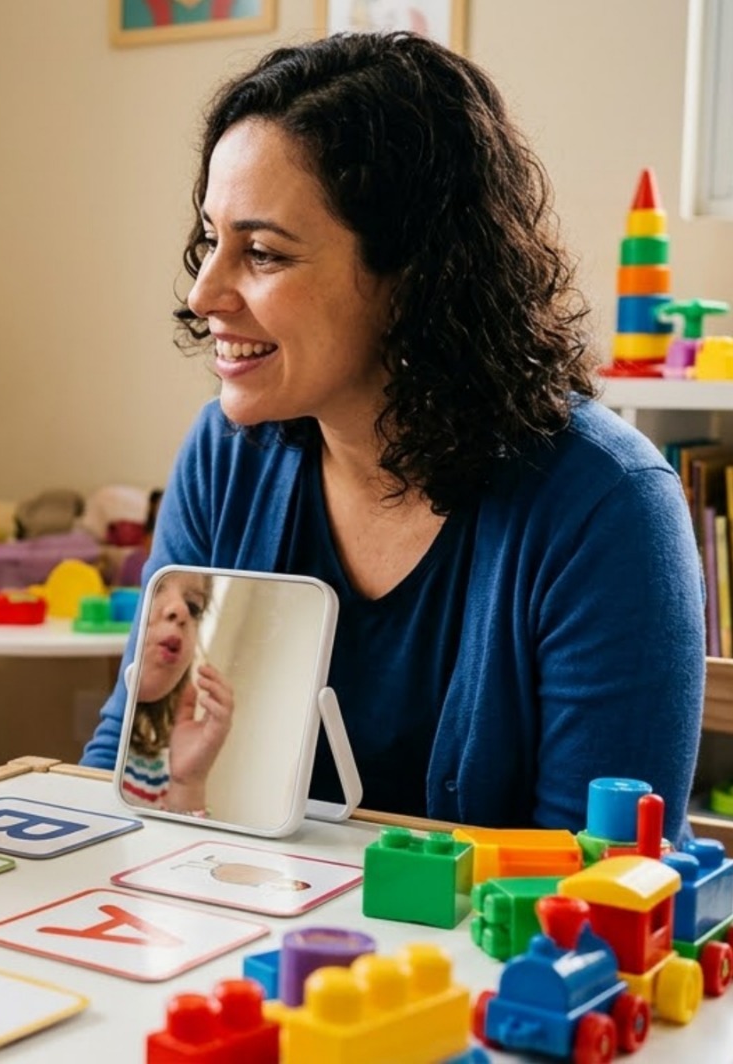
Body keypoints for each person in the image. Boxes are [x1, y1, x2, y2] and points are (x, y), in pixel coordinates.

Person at [84, 32, 704, 839]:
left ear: (417, 275)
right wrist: (174, 773)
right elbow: (130, 771)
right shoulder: (225, 456)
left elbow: (594, 889)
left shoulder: (606, 509)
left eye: (263, 252)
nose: (205, 293)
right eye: (212, 240)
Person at [120, 570, 234, 815]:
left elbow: (181, 850)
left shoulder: (157, 772)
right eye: (155, 589)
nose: (181, 611)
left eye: (194, 607)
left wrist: (187, 783)